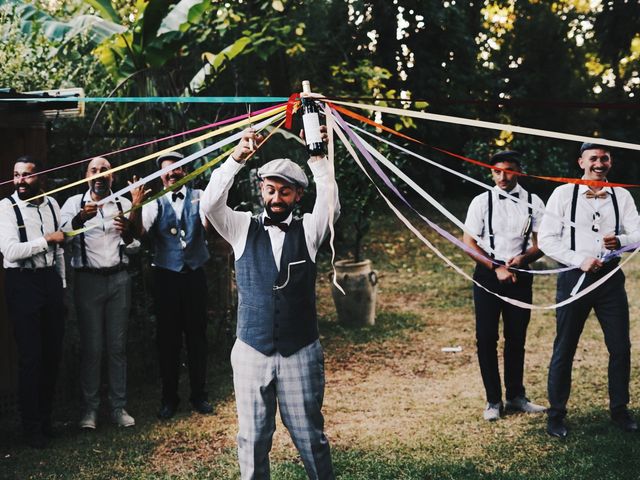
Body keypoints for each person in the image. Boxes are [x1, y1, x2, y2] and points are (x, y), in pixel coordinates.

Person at [200, 125, 338, 479]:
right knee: (253, 438)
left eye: (286, 192)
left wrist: (319, 157)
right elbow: (210, 204)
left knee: (310, 436)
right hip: (251, 350)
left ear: (298, 195)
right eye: (271, 189)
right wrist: (237, 158)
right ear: (261, 189)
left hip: (300, 351)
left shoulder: (309, 230)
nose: (277, 198)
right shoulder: (241, 227)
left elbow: (330, 203)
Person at [539, 142, 640, 438]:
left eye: (604, 158)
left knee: (620, 347)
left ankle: (620, 411)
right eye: (593, 158)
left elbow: (638, 231)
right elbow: (546, 239)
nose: (599, 163)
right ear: (581, 162)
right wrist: (578, 260)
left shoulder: (621, 195)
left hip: (610, 280)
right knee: (565, 346)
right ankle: (556, 415)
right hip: (574, 278)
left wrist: (620, 241)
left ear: (611, 162)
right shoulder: (563, 194)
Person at [60, 157, 144, 430]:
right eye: (94, 170)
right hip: (88, 283)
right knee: (92, 348)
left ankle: (119, 408)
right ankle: (90, 411)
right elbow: (63, 236)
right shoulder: (73, 204)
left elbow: (135, 246)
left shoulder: (123, 203)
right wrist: (79, 219)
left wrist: (127, 235)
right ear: (86, 176)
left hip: (119, 280)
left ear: (113, 177)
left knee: (117, 348)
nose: (99, 175)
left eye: (104, 171)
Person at [463, 150, 546, 421]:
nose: (502, 176)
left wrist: (523, 259)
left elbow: (542, 242)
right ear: (491, 172)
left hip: (520, 275)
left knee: (516, 337)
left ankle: (516, 396)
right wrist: (496, 267)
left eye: (508, 170)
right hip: (488, 275)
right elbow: (469, 242)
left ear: (518, 172)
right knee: (486, 338)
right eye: (496, 171)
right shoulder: (481, 201)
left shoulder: (534, 202)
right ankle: (493, 401)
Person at [133, 151, 213, 420]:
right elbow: (140, 233)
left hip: (194, 274)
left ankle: (199, 396)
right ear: (161, 175)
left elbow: (207, 224)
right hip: (166, 276)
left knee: (197, 337)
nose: (172, 174)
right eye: (167, 171)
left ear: (186, 171)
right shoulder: (154, 202)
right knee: (168, 340)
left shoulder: (199, 196)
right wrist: (136, 206)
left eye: (177, 169)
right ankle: (169, 399)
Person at [0, 155, 66, 448]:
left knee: (52, 354)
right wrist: (46, 241)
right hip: (22, 283)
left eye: (26, 175)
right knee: (31, 357)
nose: (20, 181)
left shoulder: (51, 204)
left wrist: (61, 285)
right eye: (16, 175)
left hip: (50, 280)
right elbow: (11, 251)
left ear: (40, 176)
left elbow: (60, 249)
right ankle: (31, 428)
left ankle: (46, 420)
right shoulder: (5, 208)